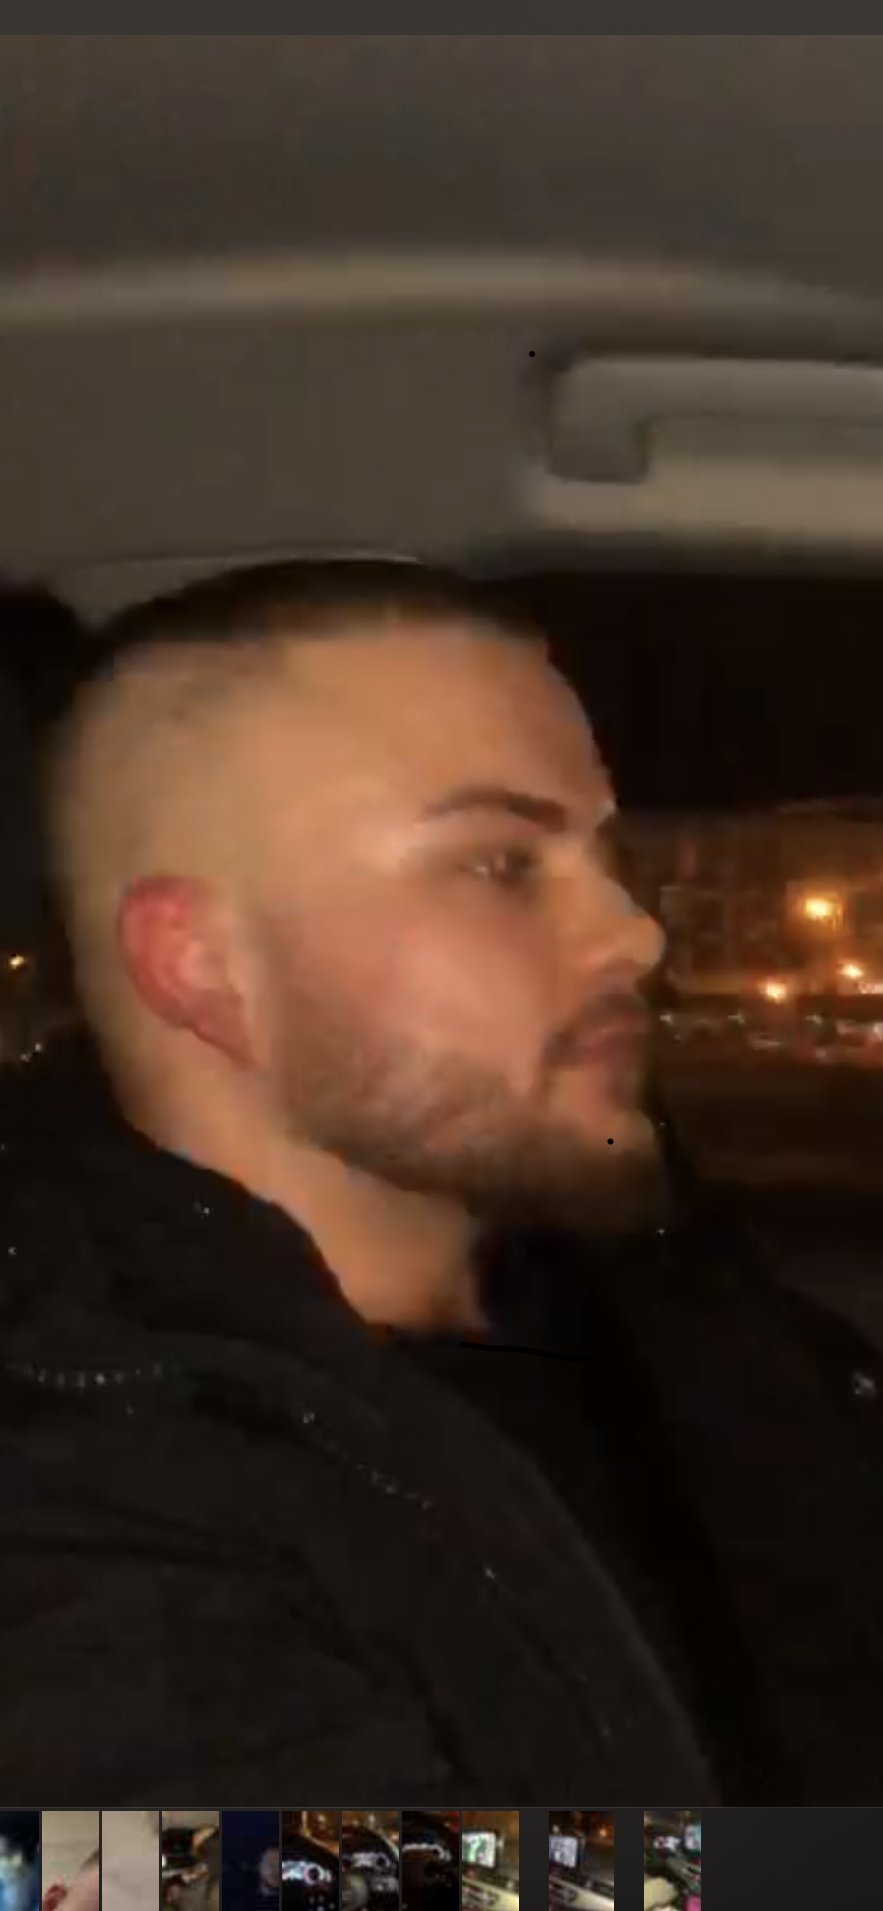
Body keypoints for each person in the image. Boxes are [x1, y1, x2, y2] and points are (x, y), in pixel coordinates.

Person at [1, 560, 883, 1803]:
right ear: (199, 965)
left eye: (602, 852)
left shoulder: (611, 1263)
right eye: (499, 864)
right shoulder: (69, 1477)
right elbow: (243, 1877)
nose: (634, 933)